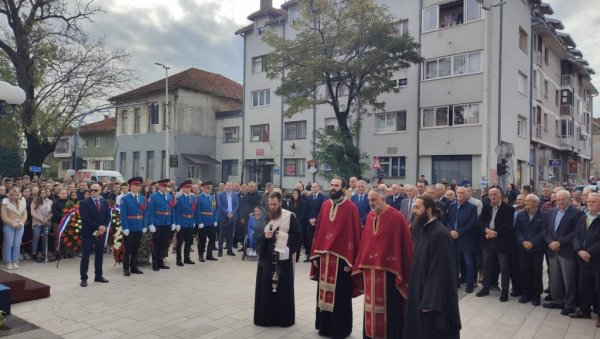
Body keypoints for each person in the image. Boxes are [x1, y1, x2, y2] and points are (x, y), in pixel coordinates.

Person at [353, 188, 413, 339]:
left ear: (383, 198)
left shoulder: (397, 217)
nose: (371, 203)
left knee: (390, 309)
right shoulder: (370, 216)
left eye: (374, 200)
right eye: (369, 200)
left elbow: (404, 247)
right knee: (369, 308)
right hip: (370, 273)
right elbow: (365, 243)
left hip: (390, 274)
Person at [310, 177, 362, 338]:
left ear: (343, 187)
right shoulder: (325, 205)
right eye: (331, 185)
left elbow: (354, 235)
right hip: (324, 258)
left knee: (340, 295)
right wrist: (316, 255)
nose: (333, 188)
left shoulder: (350, 207)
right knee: (322, 292)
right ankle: (324, 326)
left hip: (342, 260)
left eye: (336, 185)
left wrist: (351, 261)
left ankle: (341, 328)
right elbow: (319, 231)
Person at [404, 195, 461, 339]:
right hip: (420, 289)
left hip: (432, 299)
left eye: (417, 208)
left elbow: (440, 272)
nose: (414, 211)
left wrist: (430, 300)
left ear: (429, 210)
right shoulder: (424, 229)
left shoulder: (440, 234)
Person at [253, 191, 301, 327]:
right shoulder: (264, 217)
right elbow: (256, 236)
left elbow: (298, 237)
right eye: (271, 204)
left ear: (280, 203)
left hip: (283, 260)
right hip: (266, 260)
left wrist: (285, 236)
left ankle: (283, 319)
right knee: (265, 289)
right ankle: (265, 318)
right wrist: (264, 236)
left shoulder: (290, 217)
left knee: (283, 290)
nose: (273, 207)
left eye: (275, 204)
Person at [542, 189, 583, 315]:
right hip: (552, 250)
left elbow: (576, 233)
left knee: (569, 280)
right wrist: (550, 242)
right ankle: (557, 300)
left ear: (569, 199)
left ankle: (569, 304)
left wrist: (559, 242)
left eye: (563, 199)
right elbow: (544, 229)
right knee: (555, 278)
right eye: (558, 199)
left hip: (567, 251)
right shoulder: (551, 212)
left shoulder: (576, 214)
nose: (560, 202)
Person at [476, 188, 516, 302]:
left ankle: (504, 292)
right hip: (488, 241)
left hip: (502, 242)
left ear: (500, 196)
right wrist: (486, 230)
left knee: (504, 268)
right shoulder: (486, 206)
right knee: (487, 266)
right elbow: (481, 221)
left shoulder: (508, 208)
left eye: (495, 194)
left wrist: (493, 233)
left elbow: (508, 226)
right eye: (491, 195)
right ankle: (486, 288)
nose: (492, 197)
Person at [570, 192, 600, 326]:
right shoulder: (584, 216)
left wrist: (589, 252)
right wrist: (579, 250)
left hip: (596, 259)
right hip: (582, 258)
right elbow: (576, 235)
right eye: (588, 202)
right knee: (584, 285)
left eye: (594, 202)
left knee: (598, 287)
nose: (590, 204)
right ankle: (584, 310)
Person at [446, 186, 478, 293]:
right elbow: (448, 221)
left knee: (468, 263)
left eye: (462, 193)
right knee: (454, 262)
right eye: (458, 192)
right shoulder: (452, 205)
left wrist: (458, 232)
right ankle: (455, 282)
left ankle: (470, 284)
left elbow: (472, 223)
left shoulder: (472, 207)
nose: (460, 194)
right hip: (453, 238)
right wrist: (450, 231)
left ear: (467, 195)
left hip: (466, 239)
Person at [514, 194, 545, 306]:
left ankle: (536, 296)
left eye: (528, 201)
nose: (526, 203)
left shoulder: (542, 215)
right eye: (525, 201)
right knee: (524, 271)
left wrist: (532, 242)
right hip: (523, 248)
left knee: (536, 272)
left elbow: (543, 232)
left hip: (537, 249)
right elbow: (517, 230)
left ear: (535, 203)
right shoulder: (521, 215)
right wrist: (523, 241)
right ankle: (525, 294)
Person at [78, 183, 111, 287]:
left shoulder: (104, 202)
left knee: (99, 255)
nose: (93, 192)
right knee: (86, 256)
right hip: (89, 232)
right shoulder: (84, 202)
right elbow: (85, 218)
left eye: (96, 190)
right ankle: (84, 278)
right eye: (92, 190)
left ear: (100, 191)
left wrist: (104, 226)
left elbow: (108, 216)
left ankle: (98, 276)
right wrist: (98, 227)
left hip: (100, 233)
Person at [119, 177, 147, 276]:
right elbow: (123, 215)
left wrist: (144, 225)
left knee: (136, 248)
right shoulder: (125, 199)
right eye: (135, 186)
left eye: (139, 186)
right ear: (130, 187)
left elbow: (145, 213)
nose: (137, 187)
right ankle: (126, 268)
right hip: (129, 227)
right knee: (128, 249)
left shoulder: (143, 198)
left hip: (139, 226)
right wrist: (125, 227)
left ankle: (134, 267)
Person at [148, 179, 175, 271]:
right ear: (159, 186)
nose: (165, 188)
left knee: (164, 243)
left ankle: (161, 261)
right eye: (163, 186)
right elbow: (150, 211)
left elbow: (171, 210)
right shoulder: (153, 196)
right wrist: (151, 224)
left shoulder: (169, 196)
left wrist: (173, 222)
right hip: (157, 223)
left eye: (166, 186)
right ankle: (155, 263)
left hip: (167, 223)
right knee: (156, 244)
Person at [1, 188, 27, 269]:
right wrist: (13, 223)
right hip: (9, 225)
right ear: (10, 195)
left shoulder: (22, 203)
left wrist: (21, 223)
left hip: (20, 226)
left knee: (17, 245)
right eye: (13, 195)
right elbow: (4, 216)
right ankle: (8, 262)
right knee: (9, 244)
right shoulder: (5, 203)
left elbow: (25, 215)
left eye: (16, 195)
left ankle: (15, 261)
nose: (15, 196)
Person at [174, 180, 196, 266]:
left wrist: (193, 221)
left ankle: (187, 258)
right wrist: (177, 224)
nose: (189, 189)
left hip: (190, 223)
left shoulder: (192, 198)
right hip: (182, 222)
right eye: (187, 187)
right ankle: (178, 260)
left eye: (190, 187)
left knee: (189, 242)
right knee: (180, 242)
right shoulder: (179, 199)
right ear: (183, 188)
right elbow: (177, 212)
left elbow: (193, 211)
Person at [196, 181, 218, 262]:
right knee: (202, 240)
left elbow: (215, 209)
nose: (209, 190)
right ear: (203, 188)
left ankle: (209, 255)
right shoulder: (199, 197)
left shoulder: (212, 197)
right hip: (203, 221)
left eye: (210, 188)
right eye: (207, 188)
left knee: (212, 238)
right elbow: (197, 211)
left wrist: (215, 219)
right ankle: (201, 256)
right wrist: (200, 222)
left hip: (211, 221)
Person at [30, 189, 53, 262]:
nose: (43, 194)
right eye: (41, 193)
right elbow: (33, 213)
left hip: (47, 222)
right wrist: (41, 220)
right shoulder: (34, 201)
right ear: (39, 194)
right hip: (37, 222)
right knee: (36, 238)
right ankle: (34, 253)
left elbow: (52, 212)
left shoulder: (50, 201)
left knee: (45, 238)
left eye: (44, 192)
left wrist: (46, 219)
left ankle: (44, 253)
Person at [305, 183, 325, 262]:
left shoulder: (322, 198)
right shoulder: (308, 198)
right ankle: (310, 255)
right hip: (309, 222)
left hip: (318, 222)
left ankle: (317, 256)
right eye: (312, 187)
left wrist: (315, 219)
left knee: (317, 239)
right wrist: (310, 219)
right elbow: (307, 210)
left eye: (315, 187)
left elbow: (322, 210)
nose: (313, 188)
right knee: (310, 239)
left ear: (318, 188)